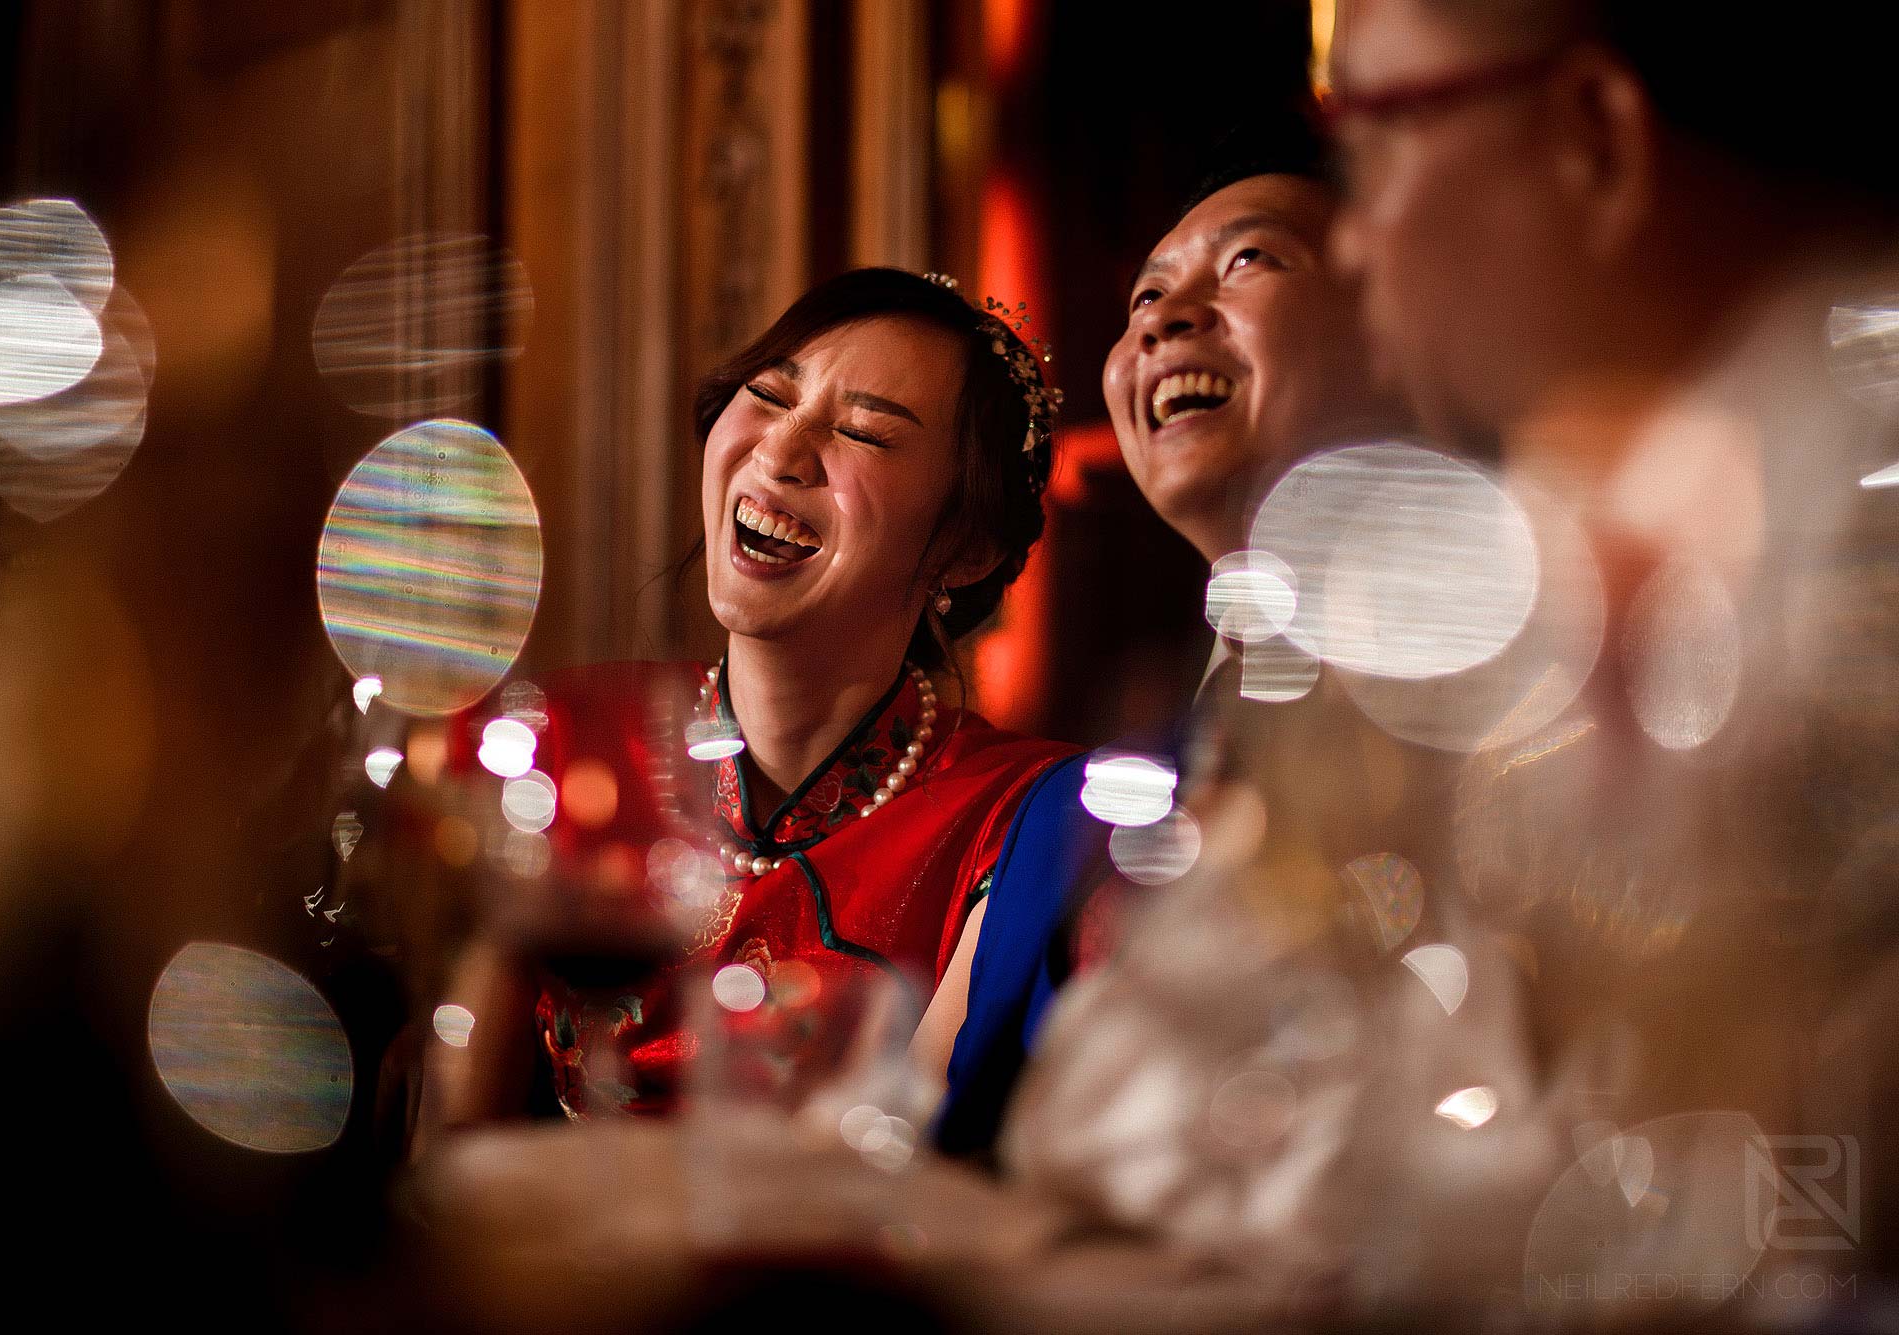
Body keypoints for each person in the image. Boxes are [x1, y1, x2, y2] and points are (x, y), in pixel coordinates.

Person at [998, 0, 1899, 1319]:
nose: (1358, 241)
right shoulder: (1529, 582)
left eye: (1373, 145)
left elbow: (1758, 1202)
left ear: (1594, 135)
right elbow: (1107, 1103)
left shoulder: (1846, 532)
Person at [420, 267, 1078, 1131]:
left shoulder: (1018, 821)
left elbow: (907, 1175)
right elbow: (451, 1145)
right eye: (767, 394)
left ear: (966, 548)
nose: (779, 452)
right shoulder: (574, 756)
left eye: (865, 433)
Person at [927, 90, 1404, 1154]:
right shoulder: (1072, 818)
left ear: (1399, 323)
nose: (1162, 319)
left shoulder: (1516, 726)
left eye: (1246, 264)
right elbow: (908, 1137)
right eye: (1145, 293)